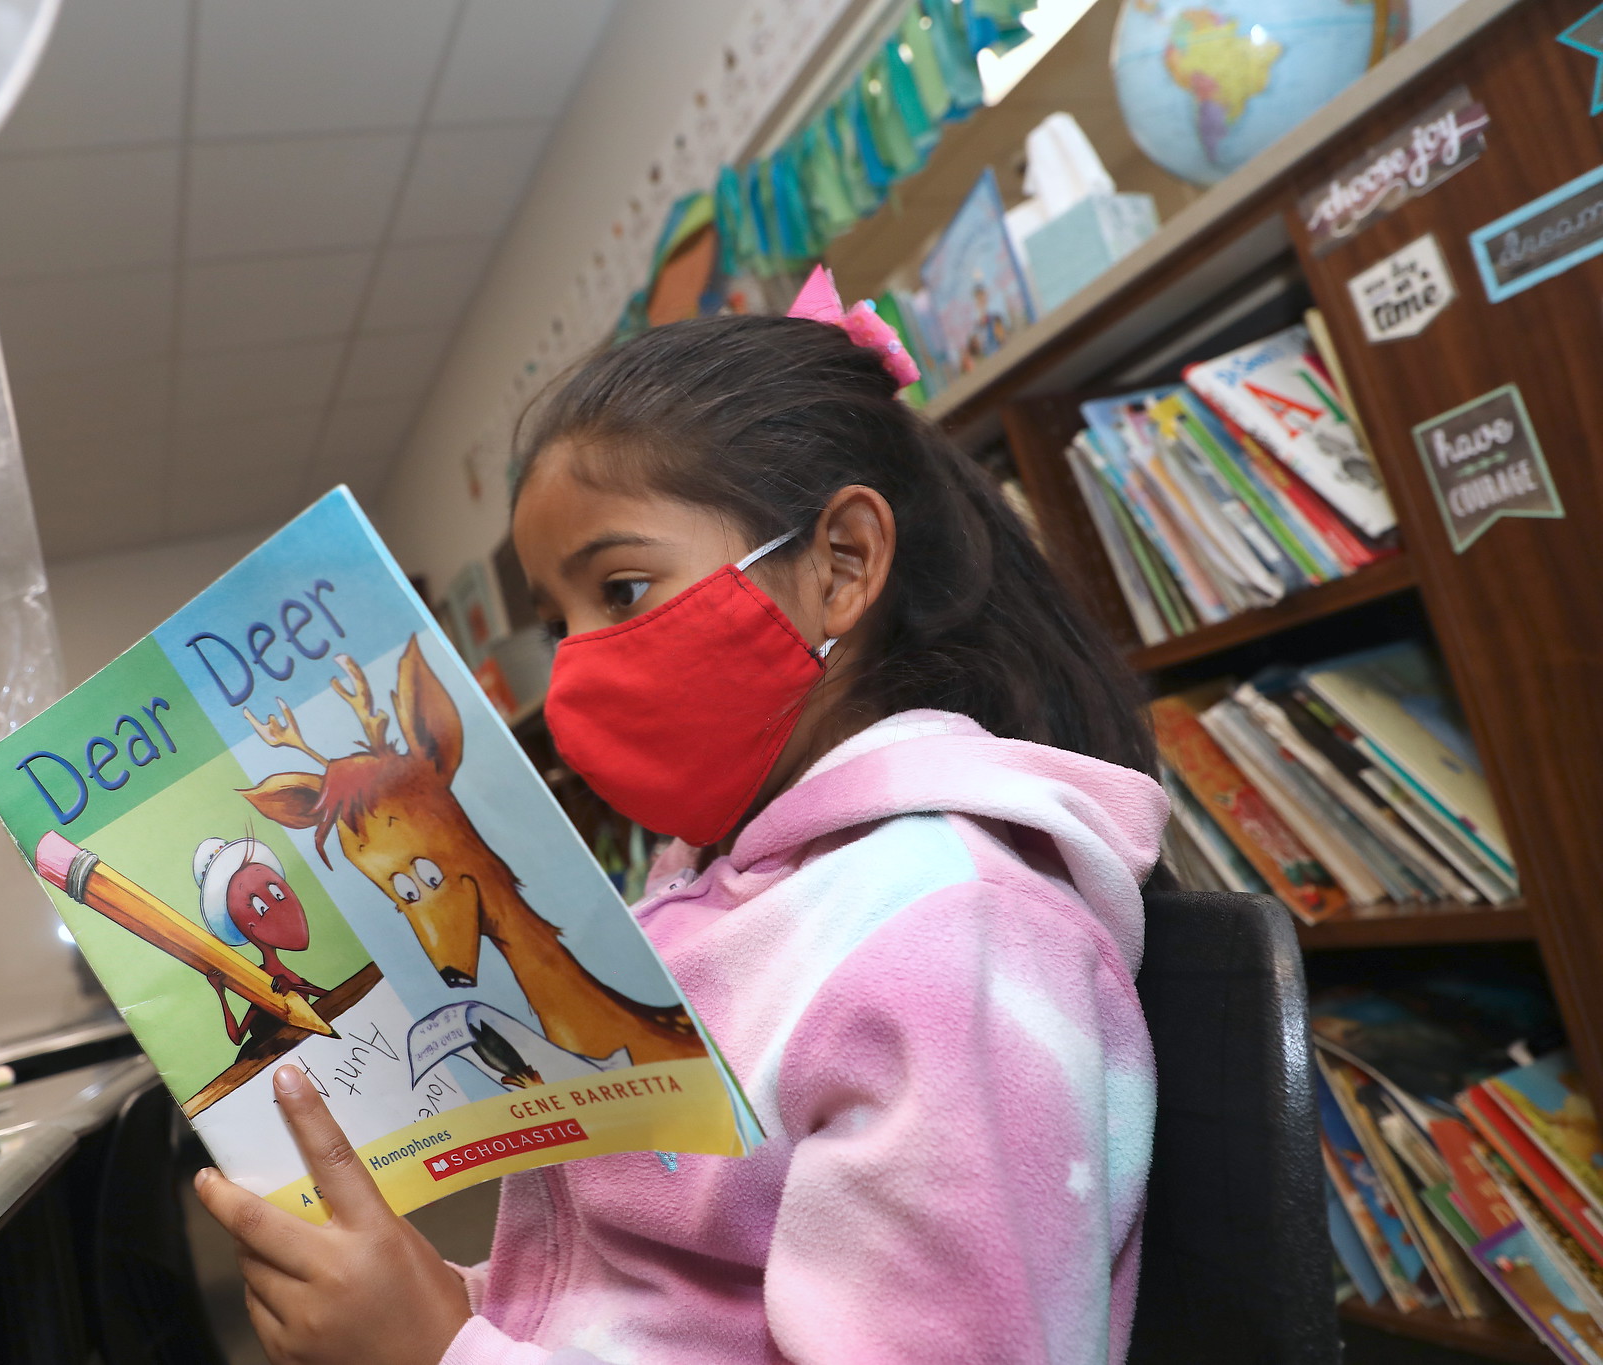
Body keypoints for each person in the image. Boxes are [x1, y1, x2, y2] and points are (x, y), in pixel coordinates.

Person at [193, 273, 1168, 1364]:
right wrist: (444, 1301)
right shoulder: (698, 893)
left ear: (839, 565)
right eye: (556, 618)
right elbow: (654, 1300)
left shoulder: (950, 942)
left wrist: (438, 1352)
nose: (572, 672)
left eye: (617, 591)